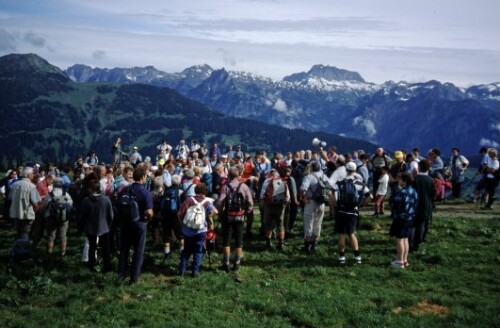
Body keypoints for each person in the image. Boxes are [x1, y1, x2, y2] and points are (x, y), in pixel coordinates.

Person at [118, 167, 154, 284]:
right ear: (143, 177)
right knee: (138, 252)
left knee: (124, 250)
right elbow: (149, 212)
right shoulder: (145, 192)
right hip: (139, 224)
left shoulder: (125, 189)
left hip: (125, 223)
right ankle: (134, 279)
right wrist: (148, 220)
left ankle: (121, 274)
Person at [332, 162, 371, 264]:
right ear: (355, 170)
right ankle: (357, 256)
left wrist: (335, 203)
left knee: (341, 234)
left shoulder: (340, 182)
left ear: (346, 170)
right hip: (353, 211)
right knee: (351, 233)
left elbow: (329, 192)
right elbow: (370, 196)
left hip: (341, 210)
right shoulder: (359, 183)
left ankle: (341, 257)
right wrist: (361, 204)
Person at [216, 166, 253, 272]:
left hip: (228, 217)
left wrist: (220, 212)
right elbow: (250, 202)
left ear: (228, 176)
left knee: (226, 241)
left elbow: (219, 202)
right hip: (240, 216)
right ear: (238, 175)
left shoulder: (225, 187)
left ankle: (226, 263)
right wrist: (247, 212)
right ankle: (236, 263)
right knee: (239, 241)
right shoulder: (244, 186)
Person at [177, 183, 217, 277]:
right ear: (205, 191)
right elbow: (215, 211)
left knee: (186, 250)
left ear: (195, 191)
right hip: (201, 230)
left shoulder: (189, 200)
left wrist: (182, 224)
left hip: (187, 230)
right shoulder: (206, 202)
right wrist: (208, 217)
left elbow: (179, 214)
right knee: (198, 251)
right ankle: (195, 271)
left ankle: (182, 270)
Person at [80, 179, 113, 272]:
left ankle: (92, 265)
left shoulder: (86, 201)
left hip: (90, 228)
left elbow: (83, 215)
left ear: (90, 189)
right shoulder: (106, 199)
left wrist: (83, 227)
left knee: (92, 248)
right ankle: (107, 267)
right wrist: (108, 224)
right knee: (106, 249)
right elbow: (111, 215)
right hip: (104, 227)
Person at [300, 161, 330, 254]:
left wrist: (304, 198)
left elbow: (303, 188)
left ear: (312, 168)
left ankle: (307, 246)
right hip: (321, 202)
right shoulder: (324, 176)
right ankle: (315, 245)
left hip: (311, 202)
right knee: (318, 223)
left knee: (308, 223)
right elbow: (329, 187)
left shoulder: (309, 176)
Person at [389, 172, 418, 268]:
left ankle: (399, 261)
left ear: (404, 181)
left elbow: (394, 204)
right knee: (406, 239)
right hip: (410, 217)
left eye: (400, 179)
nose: (399, 181)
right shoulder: (413, 191)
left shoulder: (401, 192)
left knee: (400, 240)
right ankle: (405, 260)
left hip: (401, 218)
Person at [42, 177, 73, 256]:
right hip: (63, 218)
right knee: (63, 236)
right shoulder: (66, 194)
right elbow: (70, 205)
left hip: (51, 218)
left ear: (54, 184)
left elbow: (44, 206)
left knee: (51, 236)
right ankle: (62, 253)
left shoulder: (50, 195)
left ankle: (49, 253)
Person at [260, 169, 290, 250]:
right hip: (280, 207)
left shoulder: (267, 181)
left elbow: (262, 195)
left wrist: (262, 205)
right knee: (280, 225)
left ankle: (268, 243)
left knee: (268, 225)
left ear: (270, 175)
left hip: (269, 206)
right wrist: (284, 205)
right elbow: (287, 197)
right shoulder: (283, 182)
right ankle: (281, 244)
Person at [9, 167, 42, 241]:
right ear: (28, 175)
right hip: (27, 214)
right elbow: (36, 203)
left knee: (19, 232)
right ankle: (23, 250)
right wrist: (34, 212)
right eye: (32, 173)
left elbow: (10, 198)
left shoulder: (15, 185)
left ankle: (17, 249)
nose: (33, 175)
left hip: (16, 213)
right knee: (25, 233)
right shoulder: (32, 186)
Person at [411, 159, 435, 252]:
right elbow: (433, 194)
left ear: (419, 168)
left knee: (412, 225)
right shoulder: (431, 180)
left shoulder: (414, 178)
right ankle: (417, 244)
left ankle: (410, 244)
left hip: (414, 204)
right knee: (421, 225)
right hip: (426, 204)